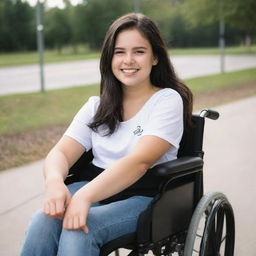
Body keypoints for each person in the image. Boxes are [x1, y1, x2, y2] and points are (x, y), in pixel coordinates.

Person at [20, 13, 193, 256]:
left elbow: (139, 162)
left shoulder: (167, 100)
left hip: (143, 194)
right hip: (93, 185)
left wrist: (84, 197)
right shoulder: (96, 106)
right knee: (43, 220)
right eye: (119, 52)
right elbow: (60, 152)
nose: (128, 60)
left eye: (139, 51)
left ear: (155, 57)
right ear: (109, 58)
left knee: (80, 227)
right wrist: (54, 183)